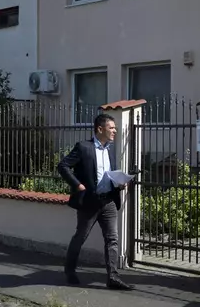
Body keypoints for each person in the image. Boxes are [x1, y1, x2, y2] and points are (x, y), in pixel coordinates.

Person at [57, 113, 133, 290]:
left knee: (112, 239)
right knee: (80, 237)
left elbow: (108, 176)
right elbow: (63, 166)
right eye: (111, 128)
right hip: (90, 203)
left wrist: (118, 185)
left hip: (109, 202)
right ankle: (70, 271)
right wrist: (77, 185)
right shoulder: (84, 147)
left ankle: (113, 277)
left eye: (114, 128)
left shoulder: (110, 149)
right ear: (100, 129)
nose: (115, 131)